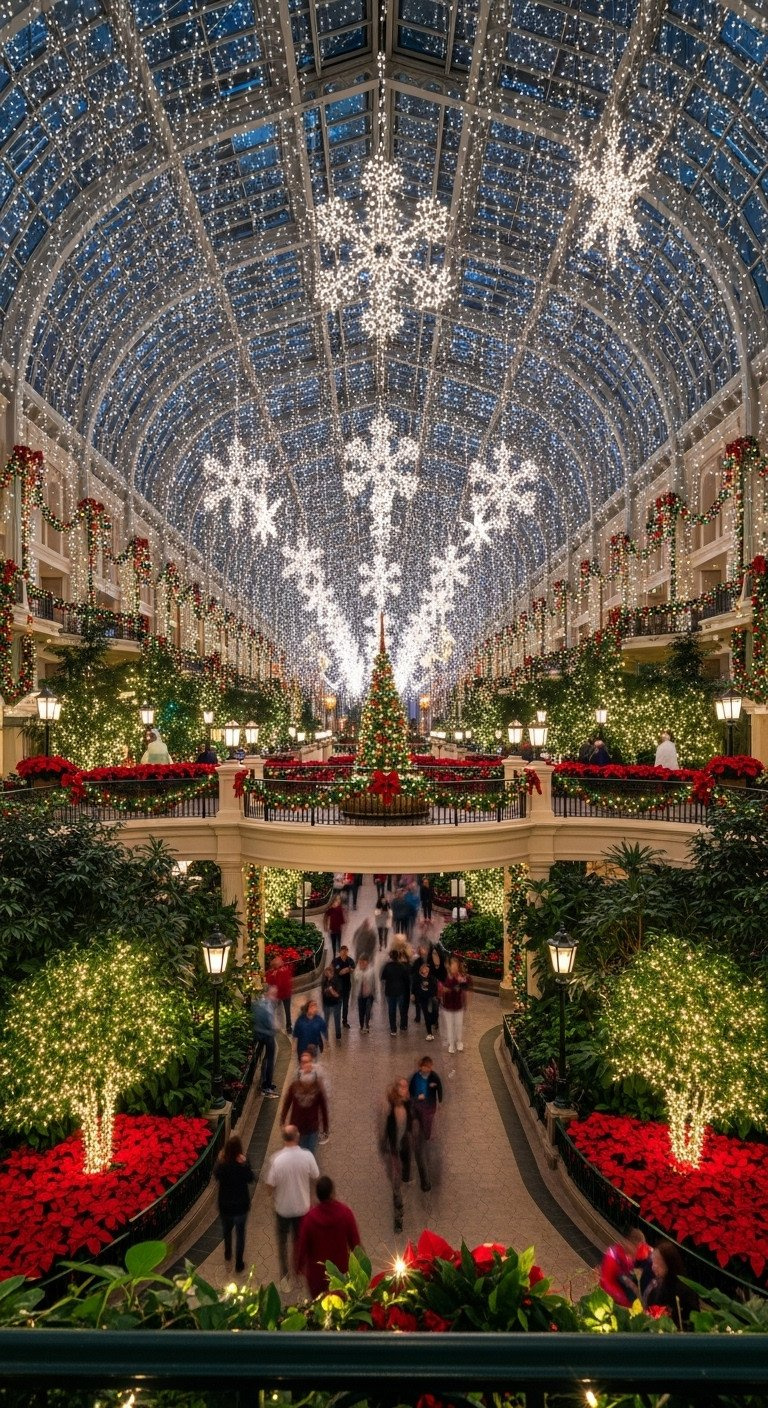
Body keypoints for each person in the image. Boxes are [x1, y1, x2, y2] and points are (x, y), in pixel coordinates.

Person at [264, 1124, 319, 1289]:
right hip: (302, 1208)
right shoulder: (307, 1156)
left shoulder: (277, 1160)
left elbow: (269, 1185)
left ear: (283, 1139)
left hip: (282, 1209)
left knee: (282, 1243)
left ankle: (284, 1277)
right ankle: (299, 1270)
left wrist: (272, 1196)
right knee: (299, 1240)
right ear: (297, 1137)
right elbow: (315, 1175)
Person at [294, 1175, 362, 1298]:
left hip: (317, 1276)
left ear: (317, 1195)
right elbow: (356, 1244)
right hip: (340, 1272)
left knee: (320, 1307)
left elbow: (302, 1247)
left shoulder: (309, 1219)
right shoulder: (345, 1213)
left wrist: (299, 1267)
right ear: (332, 1193)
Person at [214, 1133, 254, 1273]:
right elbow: (250, 1178)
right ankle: (239, 1263)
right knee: (240, 1235)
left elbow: (216, 1176)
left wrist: (219, 1161)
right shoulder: (242, 1164)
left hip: (225, 1206)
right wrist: (245, 1164)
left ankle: (227, 1253)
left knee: (226, 1231)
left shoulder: (223, 1165)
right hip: (241, 1207)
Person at [642, 1240, 700, 1329]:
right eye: (653, 1262)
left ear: (669, 1263)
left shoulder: (685, 1290)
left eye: (657, 1262)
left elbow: (692, 1322)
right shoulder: (655, 1286)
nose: (653, 1266)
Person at [280, 1050, 329, 1154]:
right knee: (298, 1154)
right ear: (301, 1065)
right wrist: (282, 1119)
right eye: (303, 1062)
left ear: (311, 1063)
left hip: (312, 1128)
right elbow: (287, 1103)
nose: (306, 1064)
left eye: (308, 1062)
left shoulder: (318, 1086)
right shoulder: (295, 1085)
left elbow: (323, 1107)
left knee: (309, 1154)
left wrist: (325, 1127)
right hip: (297, 1128)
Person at [600, 1227, 652, 1307]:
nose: (638, 1251)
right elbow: (607, 1283)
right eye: (635, 1247)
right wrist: (628, 1302)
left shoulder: (641, 1253)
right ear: (626, 1242)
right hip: (613, 1300)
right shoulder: (612, 1256)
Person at [408, 1054, 443, 1146]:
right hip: (417, 1103)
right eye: (426, 1067)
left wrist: (440, 1100)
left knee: (428, 1121)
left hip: (430, 1105)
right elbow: (411, 1089)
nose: (429, 1069)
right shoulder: (415, 1077)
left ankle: (426, 1136)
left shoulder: (434, 1077)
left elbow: (439, 1088)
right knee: (415, 1117)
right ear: (421, 1067)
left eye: (430, 1067)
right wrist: (414, 1097)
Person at [440, 955, 471, 1055]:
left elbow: (465, 988)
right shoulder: (446, 976)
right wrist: (444, 990)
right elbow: (441, 988)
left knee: (458, 1025)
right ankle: (451, 1044)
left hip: (458, 1006)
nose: (454, 967)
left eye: (455, 965)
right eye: (452, 965)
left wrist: (465, 1002)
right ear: (449, 966)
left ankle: (459, 1042)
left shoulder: (461, 977)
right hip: (448, 1006)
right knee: (450, 1026)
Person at [251, 985, 279, 1097]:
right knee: (269, 1060)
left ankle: (267, 1083)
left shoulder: (262, 1003)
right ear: (267, 994)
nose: (275, 997)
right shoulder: (264, 1005)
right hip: (266, 1035)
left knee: (267, 1058)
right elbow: (267, 1021)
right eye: (273, 994)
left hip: (264, 1034)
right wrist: (272, 1029)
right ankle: (266, 1087)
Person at [381, 948, 412, 1036]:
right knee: (402, 1010)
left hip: (389, 992)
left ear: (390, 957)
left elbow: (383, 978)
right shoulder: (402, 966)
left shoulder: (387, 966)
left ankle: (393, 1029)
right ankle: (402, 1025)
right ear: (398, 957)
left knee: (391, 1011)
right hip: (400, 991)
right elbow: (407, 980)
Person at [268, 953, 294, 1035]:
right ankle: (288, 1027)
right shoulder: (281, 971)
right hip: (283, 994)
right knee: (286, 1011)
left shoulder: (281, 971)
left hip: (282, 994)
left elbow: (278, 983)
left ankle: (287, 1027)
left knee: (284, 1011)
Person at [412, 960, 439, 1038]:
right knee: (426, 1015)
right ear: (421, 971)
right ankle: (429, 1033)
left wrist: (434, 995)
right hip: (422, 998)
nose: (426, 973)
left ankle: (433, 1022)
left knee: (434, 1014)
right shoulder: (417, 977)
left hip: (431, 997)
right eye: (424, 972)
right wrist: (413, 994)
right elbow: (414, 987)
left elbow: (435, 988)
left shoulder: (432, 978)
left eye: (427, 971)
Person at [352, 954, 376, 1032]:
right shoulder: (357, 970)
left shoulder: (371, 971)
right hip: (360, 994)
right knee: (361, 1011)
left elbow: (373, 982)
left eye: (364, 962)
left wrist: (375, 993)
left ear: (367, 962)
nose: (362, 964)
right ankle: (362, 1025)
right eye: (360, 962)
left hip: (369, 994)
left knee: (368, 1010)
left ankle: (367, 1024)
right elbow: (356, 978)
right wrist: (361, 970)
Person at [332, 945, 355, 1028]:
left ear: (347, 951)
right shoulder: (335, 961)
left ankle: (344, 1021)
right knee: (338, 1005)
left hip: (347, 987)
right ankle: (337, 1021)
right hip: (338, 987)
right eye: (342, 951)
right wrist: (348, 969)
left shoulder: (350, 960)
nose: (344, 953)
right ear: (340, 952)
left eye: (345, 951)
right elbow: (340, 972)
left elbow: (353, 969)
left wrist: (347, 970)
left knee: (345, 1005)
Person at [321, 963, 343, 1041]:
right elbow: (322, 992)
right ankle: (326, 1037)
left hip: (336, 1003)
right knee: (326, 1020)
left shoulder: (337, 981)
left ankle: (338, 1036)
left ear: (332, 973)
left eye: (328, 973)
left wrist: (331, 990)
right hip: (326, 1003)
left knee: (337, 1020)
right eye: (325, 973)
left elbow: (337, 995)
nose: (326, 975)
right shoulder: (324, 981)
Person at [323, 894, 347, 958]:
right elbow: (325, 917)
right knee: (334, 942)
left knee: (338, 941)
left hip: (338, 929)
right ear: (333, 901)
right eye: (337, 899)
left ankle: (338, 953)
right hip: (332, 929)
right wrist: (325, 925)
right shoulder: (331, 909)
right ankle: (334, 955)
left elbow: (342, 918)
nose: (338, 901)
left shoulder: (340, 908)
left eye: (339, 899)